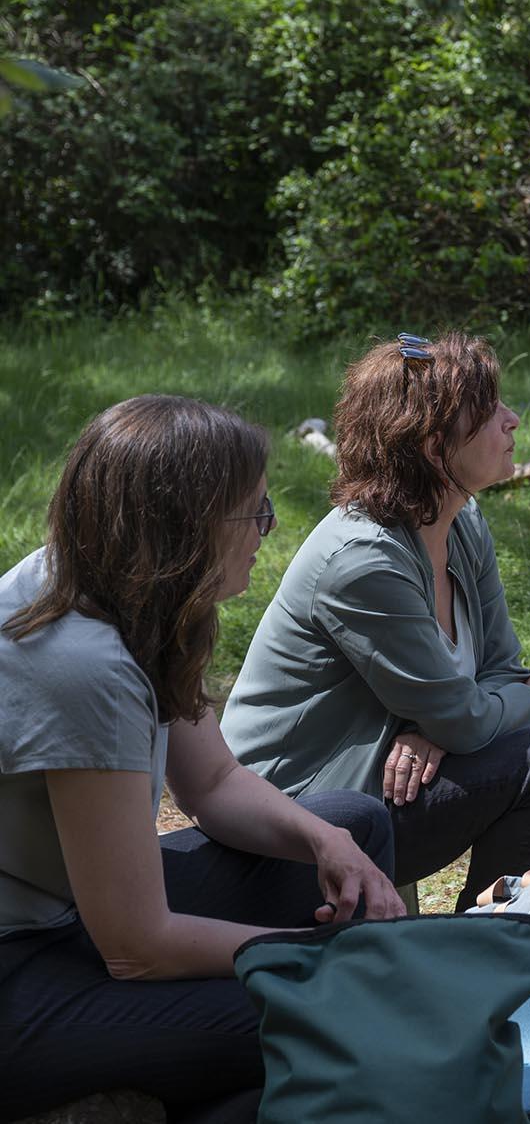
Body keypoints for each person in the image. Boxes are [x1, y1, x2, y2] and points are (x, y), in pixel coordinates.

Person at [0, 396, 402, 1123]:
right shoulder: (81, 663)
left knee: (355, 825)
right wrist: (319, 954)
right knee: (333, 1010)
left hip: (77, 920)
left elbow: (213, 783)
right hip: (22, 970)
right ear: (183, 526)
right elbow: (136, 946)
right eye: (252, 512)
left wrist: (325, 841)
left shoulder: (124, 590)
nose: (266, 530)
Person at [221, 333, 530, 913]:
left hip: (386, 780)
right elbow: (480, 708)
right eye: (489, 411)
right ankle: (488, 955)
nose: (512, 420)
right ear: (435, 445)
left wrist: (438, 727)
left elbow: (497, 669)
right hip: (303, 821)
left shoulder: (461, 521)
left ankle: (505, 923)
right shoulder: (363, 560)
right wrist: (475, 715)